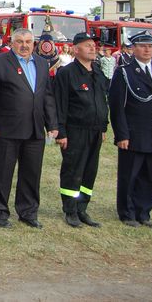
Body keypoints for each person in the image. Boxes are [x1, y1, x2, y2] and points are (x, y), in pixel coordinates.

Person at [0, 28, 58, 229]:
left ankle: (28, 212)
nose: (24, 45)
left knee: (31, 173)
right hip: (7, 128)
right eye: (19, 41)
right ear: (12, 42)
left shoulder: (43, 64)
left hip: (35, 129)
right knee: (2, 172)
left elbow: (47, 96)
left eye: (28, 41)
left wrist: (52, 124)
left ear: (33, 43)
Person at [108, 31, 152, 228]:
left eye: (150, 46)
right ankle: (127, 213)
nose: (147, 49)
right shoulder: (124, 72)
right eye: (142, 46)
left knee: (150, 176)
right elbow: (117, 107)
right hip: (133, 134)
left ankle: (144, 212)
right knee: (130, 175)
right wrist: (122, 134)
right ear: (133, 48)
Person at [53, 32, 109, 228]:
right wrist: (61, 132)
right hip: (75, 130)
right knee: (73, 170)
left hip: (95, 130)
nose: (92, 48)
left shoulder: (98, 72)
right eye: (87, 45)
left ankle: (82, 208)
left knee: (89, 171)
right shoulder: (66, 73)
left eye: (93, 45)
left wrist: (103, 127)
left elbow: (102, 102)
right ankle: (70, 210)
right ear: (76, 50)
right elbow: (59, 104)